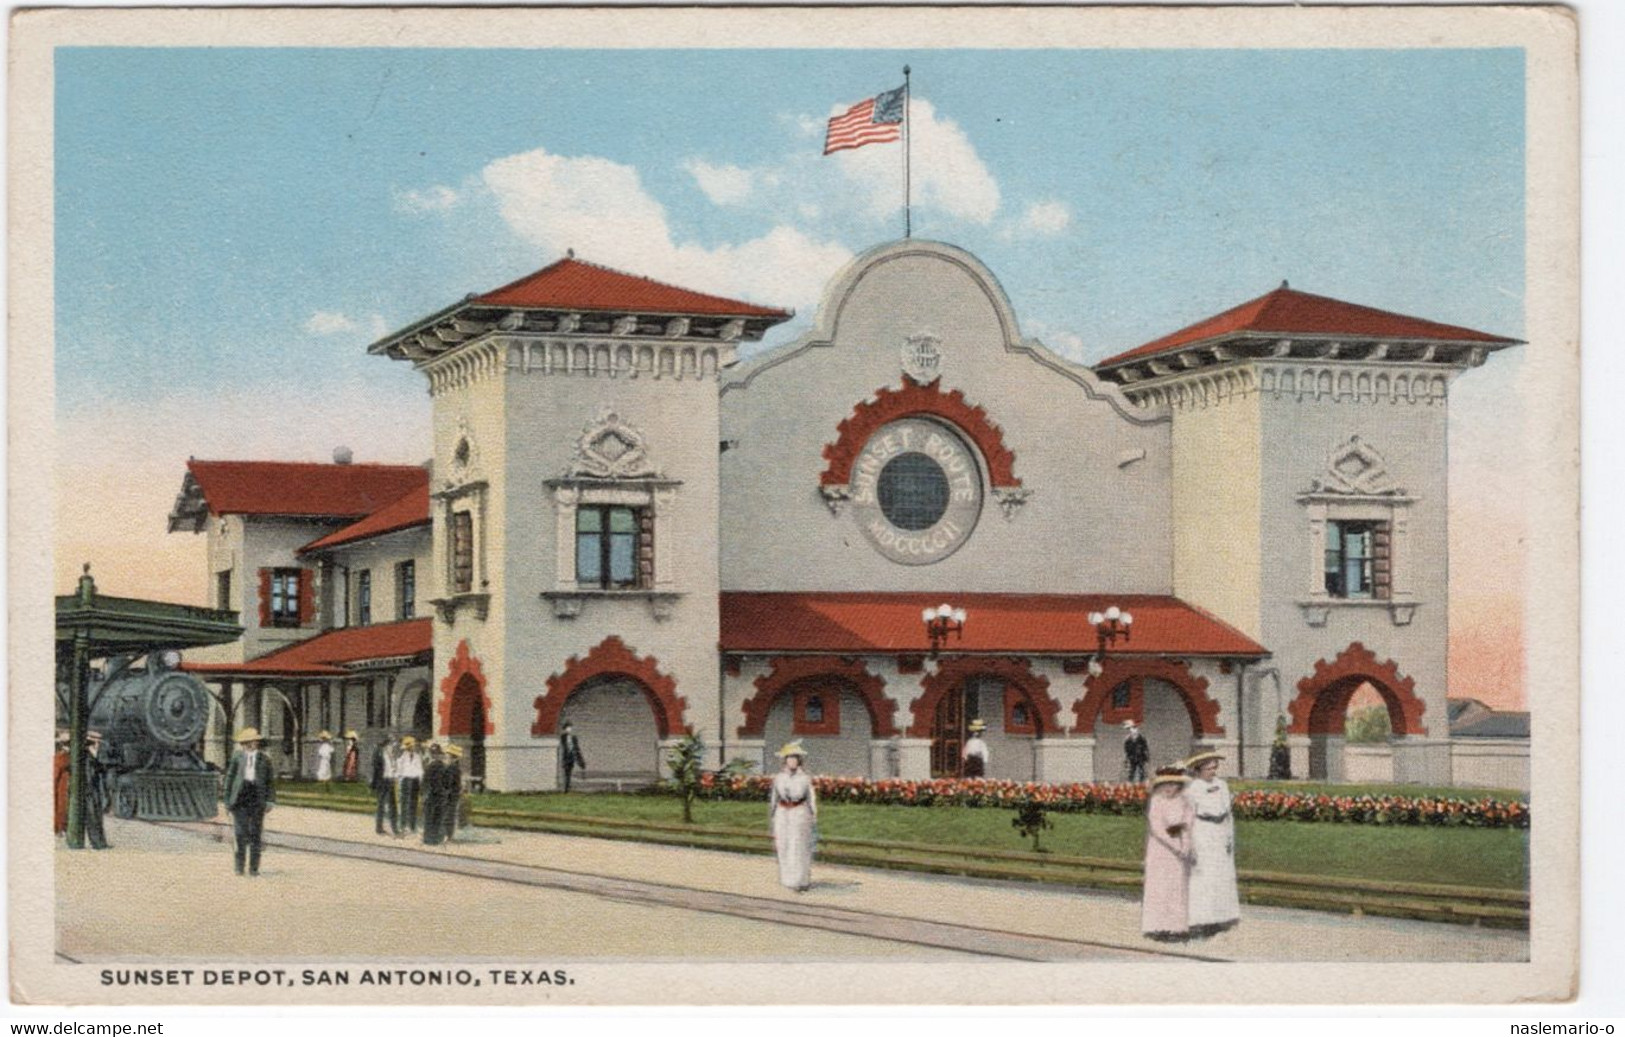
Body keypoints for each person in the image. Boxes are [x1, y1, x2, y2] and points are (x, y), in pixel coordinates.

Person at [1182, 750, 1241, 937]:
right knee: (1203, 877)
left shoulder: (1222, 785)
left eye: (1215, 768)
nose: (1213, 772)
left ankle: (1221, 917)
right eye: (1209, 768)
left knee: (1221, 875)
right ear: (1199, 769)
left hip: (1219, 831)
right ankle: (1200, 920)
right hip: (1202, 831)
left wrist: (1229, 836)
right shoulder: (1193, 789)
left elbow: (1228, 812)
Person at [1141, 766, 1195, 941]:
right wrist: (1175, 846)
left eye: (1173, 784)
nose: (1169, 788)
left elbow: (1188, 824)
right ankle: (1157, 925)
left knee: (1177, 885)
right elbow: (1157, 829)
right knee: (1160, 886)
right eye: (1165, 784)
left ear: (1179, 785)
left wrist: (1186, 844)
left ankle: (1177, 926)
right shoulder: (1157, 801)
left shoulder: (1184, 801)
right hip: (1161, 849)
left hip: (1179, 850)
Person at [224, 727, 275, 876]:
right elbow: (230, 779)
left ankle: (254, 868)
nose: (249, 745)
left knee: (255, 834)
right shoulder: (237, 758)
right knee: (240, 834)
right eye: (246, 742)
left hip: (257, 798)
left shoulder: (265, 759)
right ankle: (239, 867)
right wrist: (227, 801)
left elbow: (270, 782)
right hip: (240, 799)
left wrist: (270, 800)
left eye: (252, 742)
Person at [769, 741, 817, 892]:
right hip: (783, 813)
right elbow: (774, 797)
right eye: (789, 758)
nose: (792, 761)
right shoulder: (779, 778)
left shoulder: (804, 778)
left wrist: (813, 814)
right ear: (785, 760)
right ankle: (787, 878)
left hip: (799, 812)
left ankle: (800, 880)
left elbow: (811, 797)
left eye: (795, 758)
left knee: (798, 844)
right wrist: (773, 813)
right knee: (783, 844)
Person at [81, 730, 112, 850]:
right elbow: (90, 774)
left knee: (97, 817)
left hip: (95, 789)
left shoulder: (94, 755)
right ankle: (97, 843)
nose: (98, 744)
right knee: (92, 817)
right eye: (96, 742)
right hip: (89, 789)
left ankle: (101, 842)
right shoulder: (86, 756)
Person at [371, 734, 399, 836]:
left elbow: (394, 768)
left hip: (390, 781)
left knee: (393, 806)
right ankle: (379, 828)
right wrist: (375, 783)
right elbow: (376, 769)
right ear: (386, 744)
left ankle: (394, 828)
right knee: (381, 805)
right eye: (392, 744)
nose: (393, 746)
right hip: (382, 781)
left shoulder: (392, 755)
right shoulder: (379, 754)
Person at [421, 743, 447, 846]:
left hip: (431, 795)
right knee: (437, 817)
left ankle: (428, 839)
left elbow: (425, 782)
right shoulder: (443, 766)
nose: (434, 755)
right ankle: (436, 839)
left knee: (429, 817)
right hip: (439, 795)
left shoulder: (429, 766)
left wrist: (424, 794)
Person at [397, 736, 424, 833]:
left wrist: (421, 781)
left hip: (415, 781)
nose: (411, 748)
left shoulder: (417, 756)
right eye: (409, 747)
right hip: (406, 780)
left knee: (413, 804)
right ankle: (403, 825)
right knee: (405, 804)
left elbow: (420, 769)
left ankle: (412, 826)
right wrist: (400, 782)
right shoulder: (402, 757)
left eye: (412, 746)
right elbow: (399, 771)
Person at [442, 744, 464, 843]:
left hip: (450, 795)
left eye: (448, 756)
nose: (446, 758)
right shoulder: (455, 768)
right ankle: (449, 835)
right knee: (450, 815)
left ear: (453, 758)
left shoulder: (452, 768)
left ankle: (448, 836)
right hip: (453, 795)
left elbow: (449, 783)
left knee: (448, 815)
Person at [560, 722, 587, 792]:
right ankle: (566, 787)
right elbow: (563, 746)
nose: (569, 729)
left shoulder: (574, 738)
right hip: (566, 757)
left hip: (571, 757)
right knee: (566, 772)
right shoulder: (563, 737)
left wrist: (579, 759)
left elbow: (576, 748)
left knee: (569, 772)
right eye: (567, 728)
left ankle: (567, 787)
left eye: (570, 727)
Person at [53, 730, 71, 836]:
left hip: (61, 786)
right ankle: (60, 828)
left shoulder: (60, 756)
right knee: (61, 806)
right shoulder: (62, 757)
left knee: (61, 806)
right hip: (62, 787)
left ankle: (60, 828)